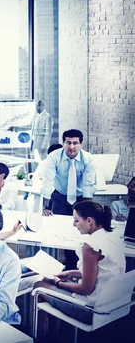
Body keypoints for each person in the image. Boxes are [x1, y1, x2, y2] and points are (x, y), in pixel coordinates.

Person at [33, 200, 125, 326]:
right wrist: (71, 274)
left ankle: (48, 335)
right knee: (48, 279)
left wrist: (59, 283)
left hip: (93, 311)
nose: (74, 225)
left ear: (89, 220)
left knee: (39, 285)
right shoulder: (112, 237)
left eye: (76, 220)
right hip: (114, 305)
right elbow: (103, 272)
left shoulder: (91, 246)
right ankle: (54, 332)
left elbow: (86, 288)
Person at [41, 129, 96, 269]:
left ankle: (78, 263)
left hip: (80, 197)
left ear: (81, 144)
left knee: (80, 229)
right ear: (63, 143)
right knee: (61, 228)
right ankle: (68, 263)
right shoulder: (53, 157)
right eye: (68, 142)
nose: (71, 147)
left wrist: (88, 209)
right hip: (59, 195)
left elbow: (88, 184)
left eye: (75, 143)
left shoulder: (88, 159)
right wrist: (45, 207)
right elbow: (47, 182)